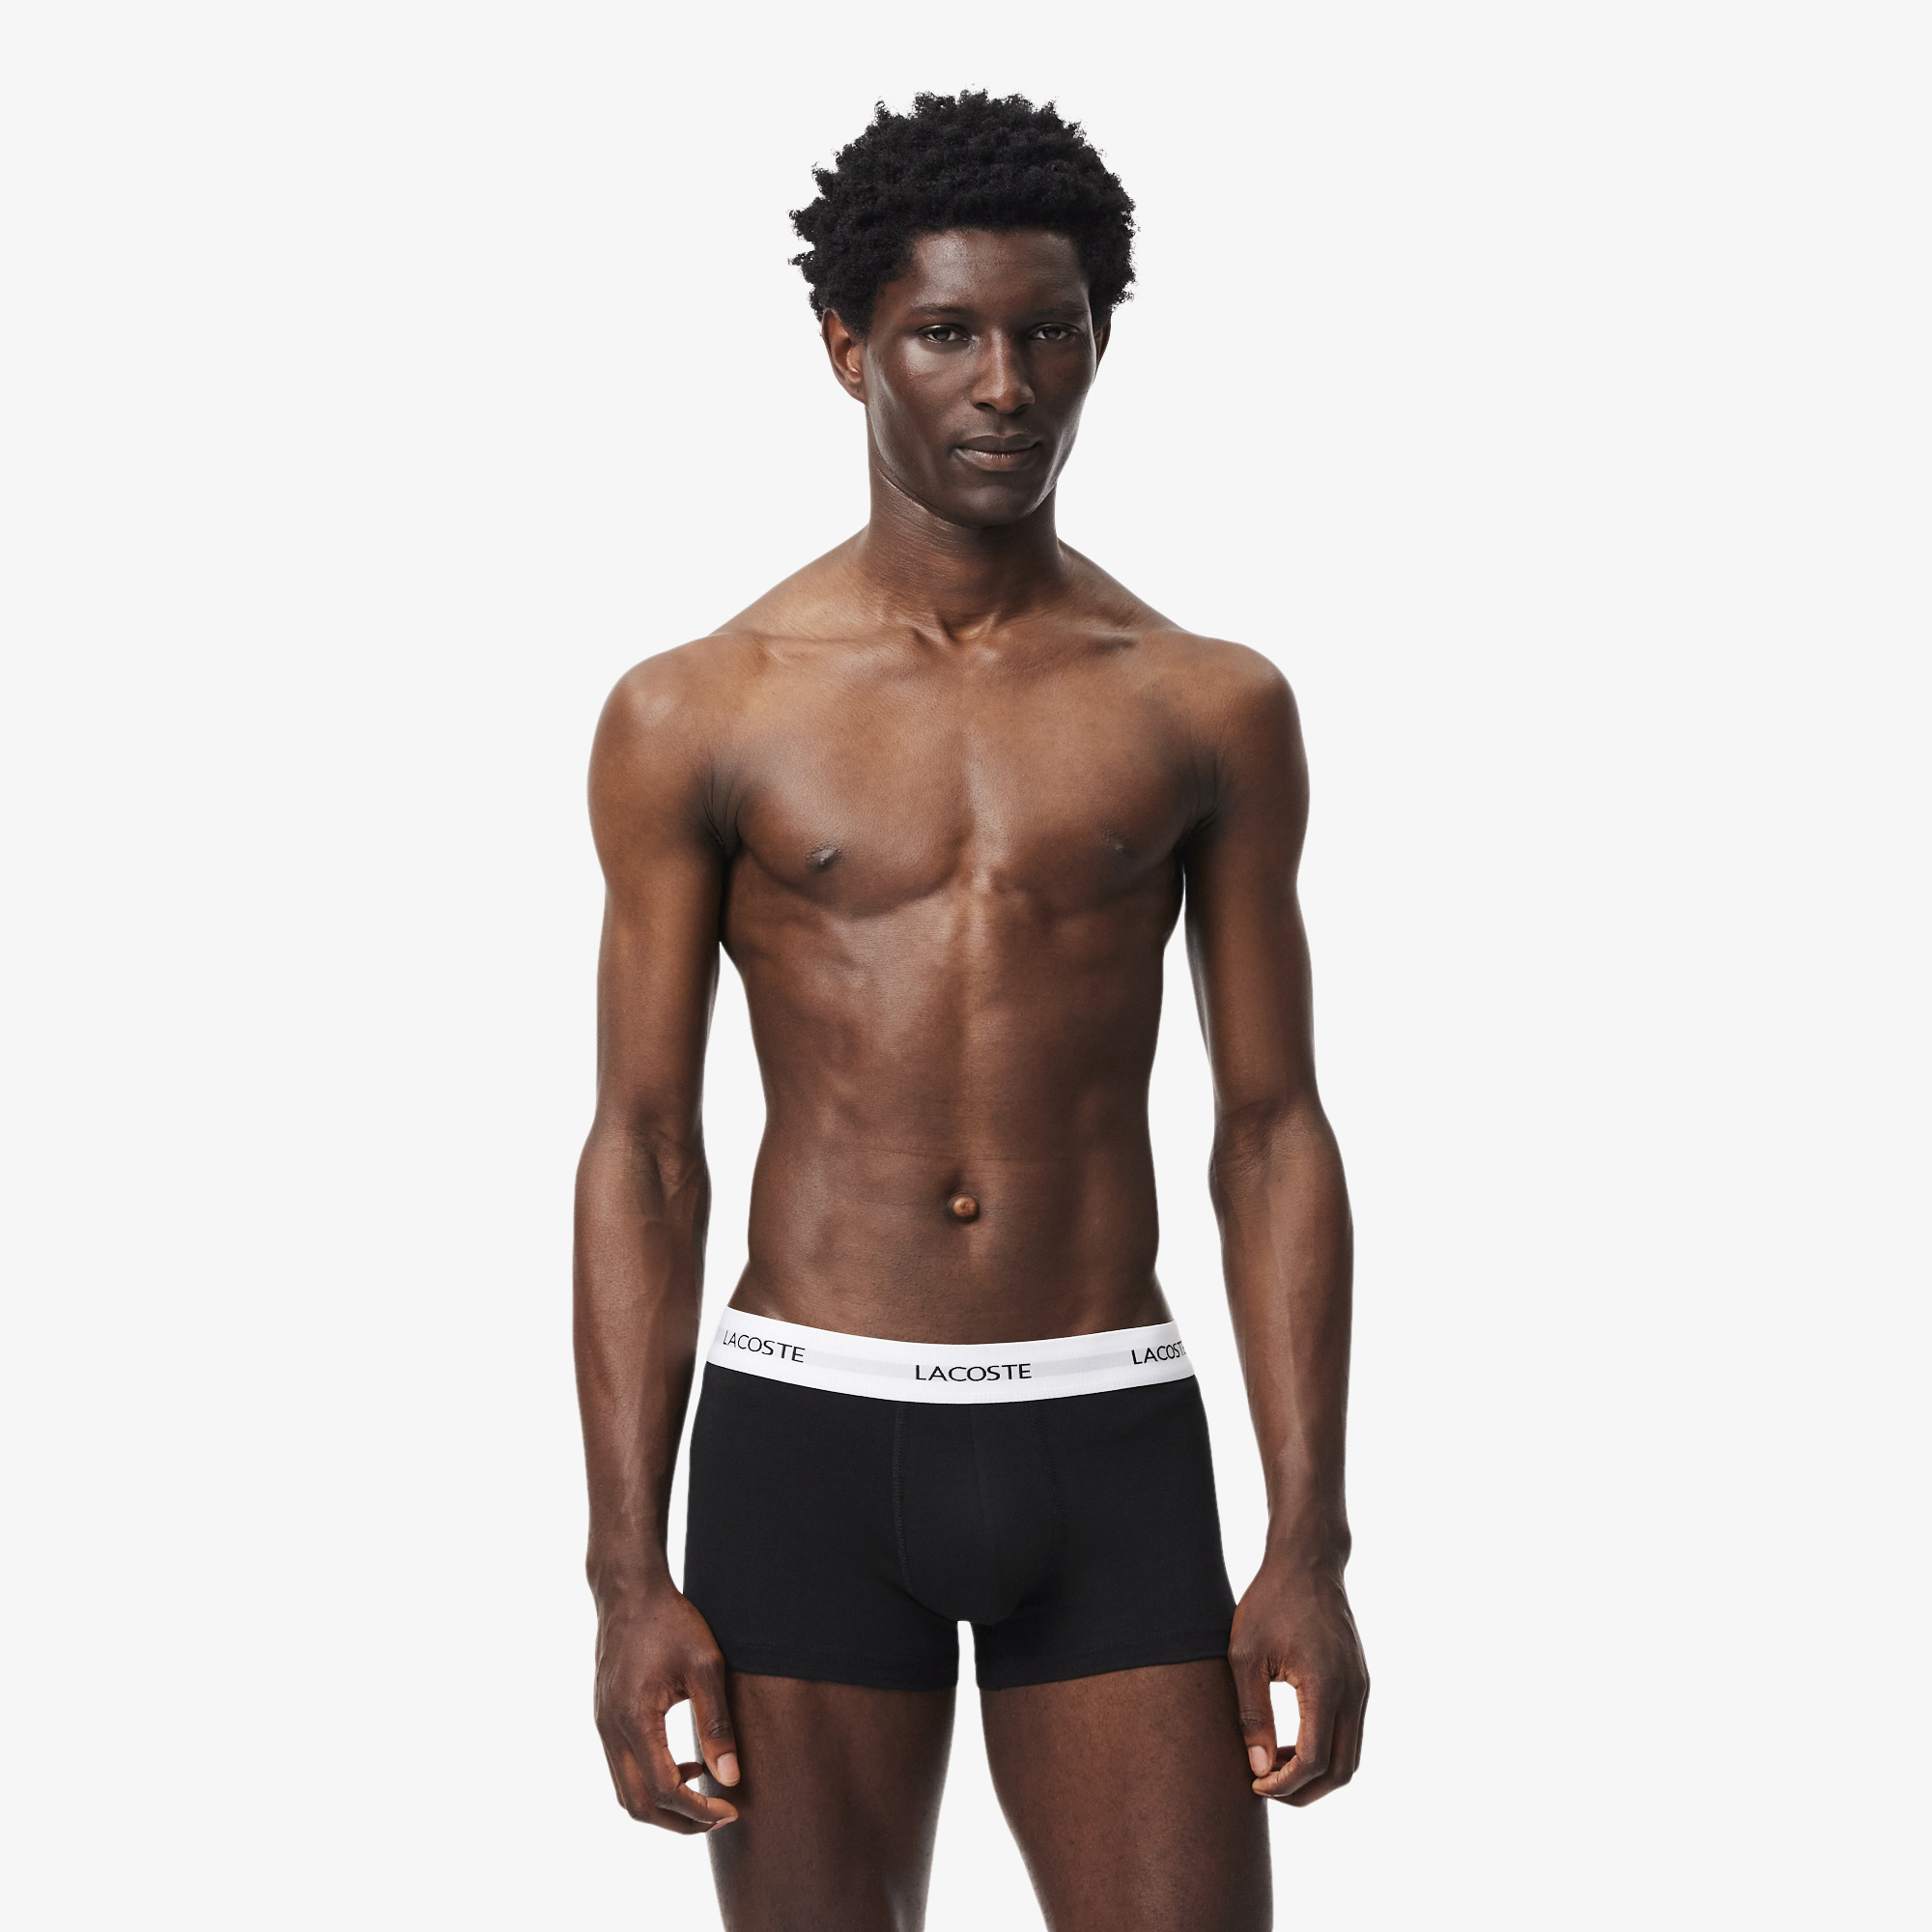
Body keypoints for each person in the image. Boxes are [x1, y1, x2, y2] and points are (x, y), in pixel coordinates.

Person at [574, 91, 1368, 1932]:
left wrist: (1308, 1541)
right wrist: (624, 1574)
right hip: (804, 1431)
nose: (1007, 386)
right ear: (847, 346)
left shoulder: (1206, 704)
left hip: (1105, 1424)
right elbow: (646, 1145)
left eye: (1050, 331)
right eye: (946, 333)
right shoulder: (700, 710)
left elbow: (1272, 1132)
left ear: (1098, 341)